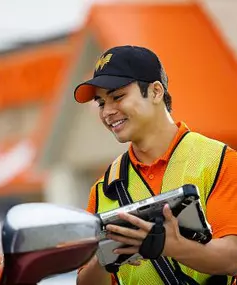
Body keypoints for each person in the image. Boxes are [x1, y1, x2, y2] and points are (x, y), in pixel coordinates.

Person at [73, 45, 237, 285]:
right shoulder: (103, 188)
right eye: (100, 103)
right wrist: (105, 258)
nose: (108, 112)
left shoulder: (219, 160)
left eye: (117, 97)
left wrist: (172, 247)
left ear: (156, 91)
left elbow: (232, 258)